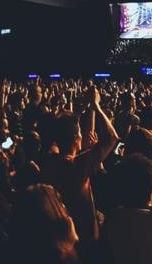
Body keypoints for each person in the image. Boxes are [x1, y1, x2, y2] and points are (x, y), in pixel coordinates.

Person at [40, 88, 119, 242]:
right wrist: (96, 105)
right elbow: (112, 137)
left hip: (59, 236)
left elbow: (63, 131)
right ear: (77, 139)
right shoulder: (77, 166)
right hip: (83, 237)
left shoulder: (49, 159)